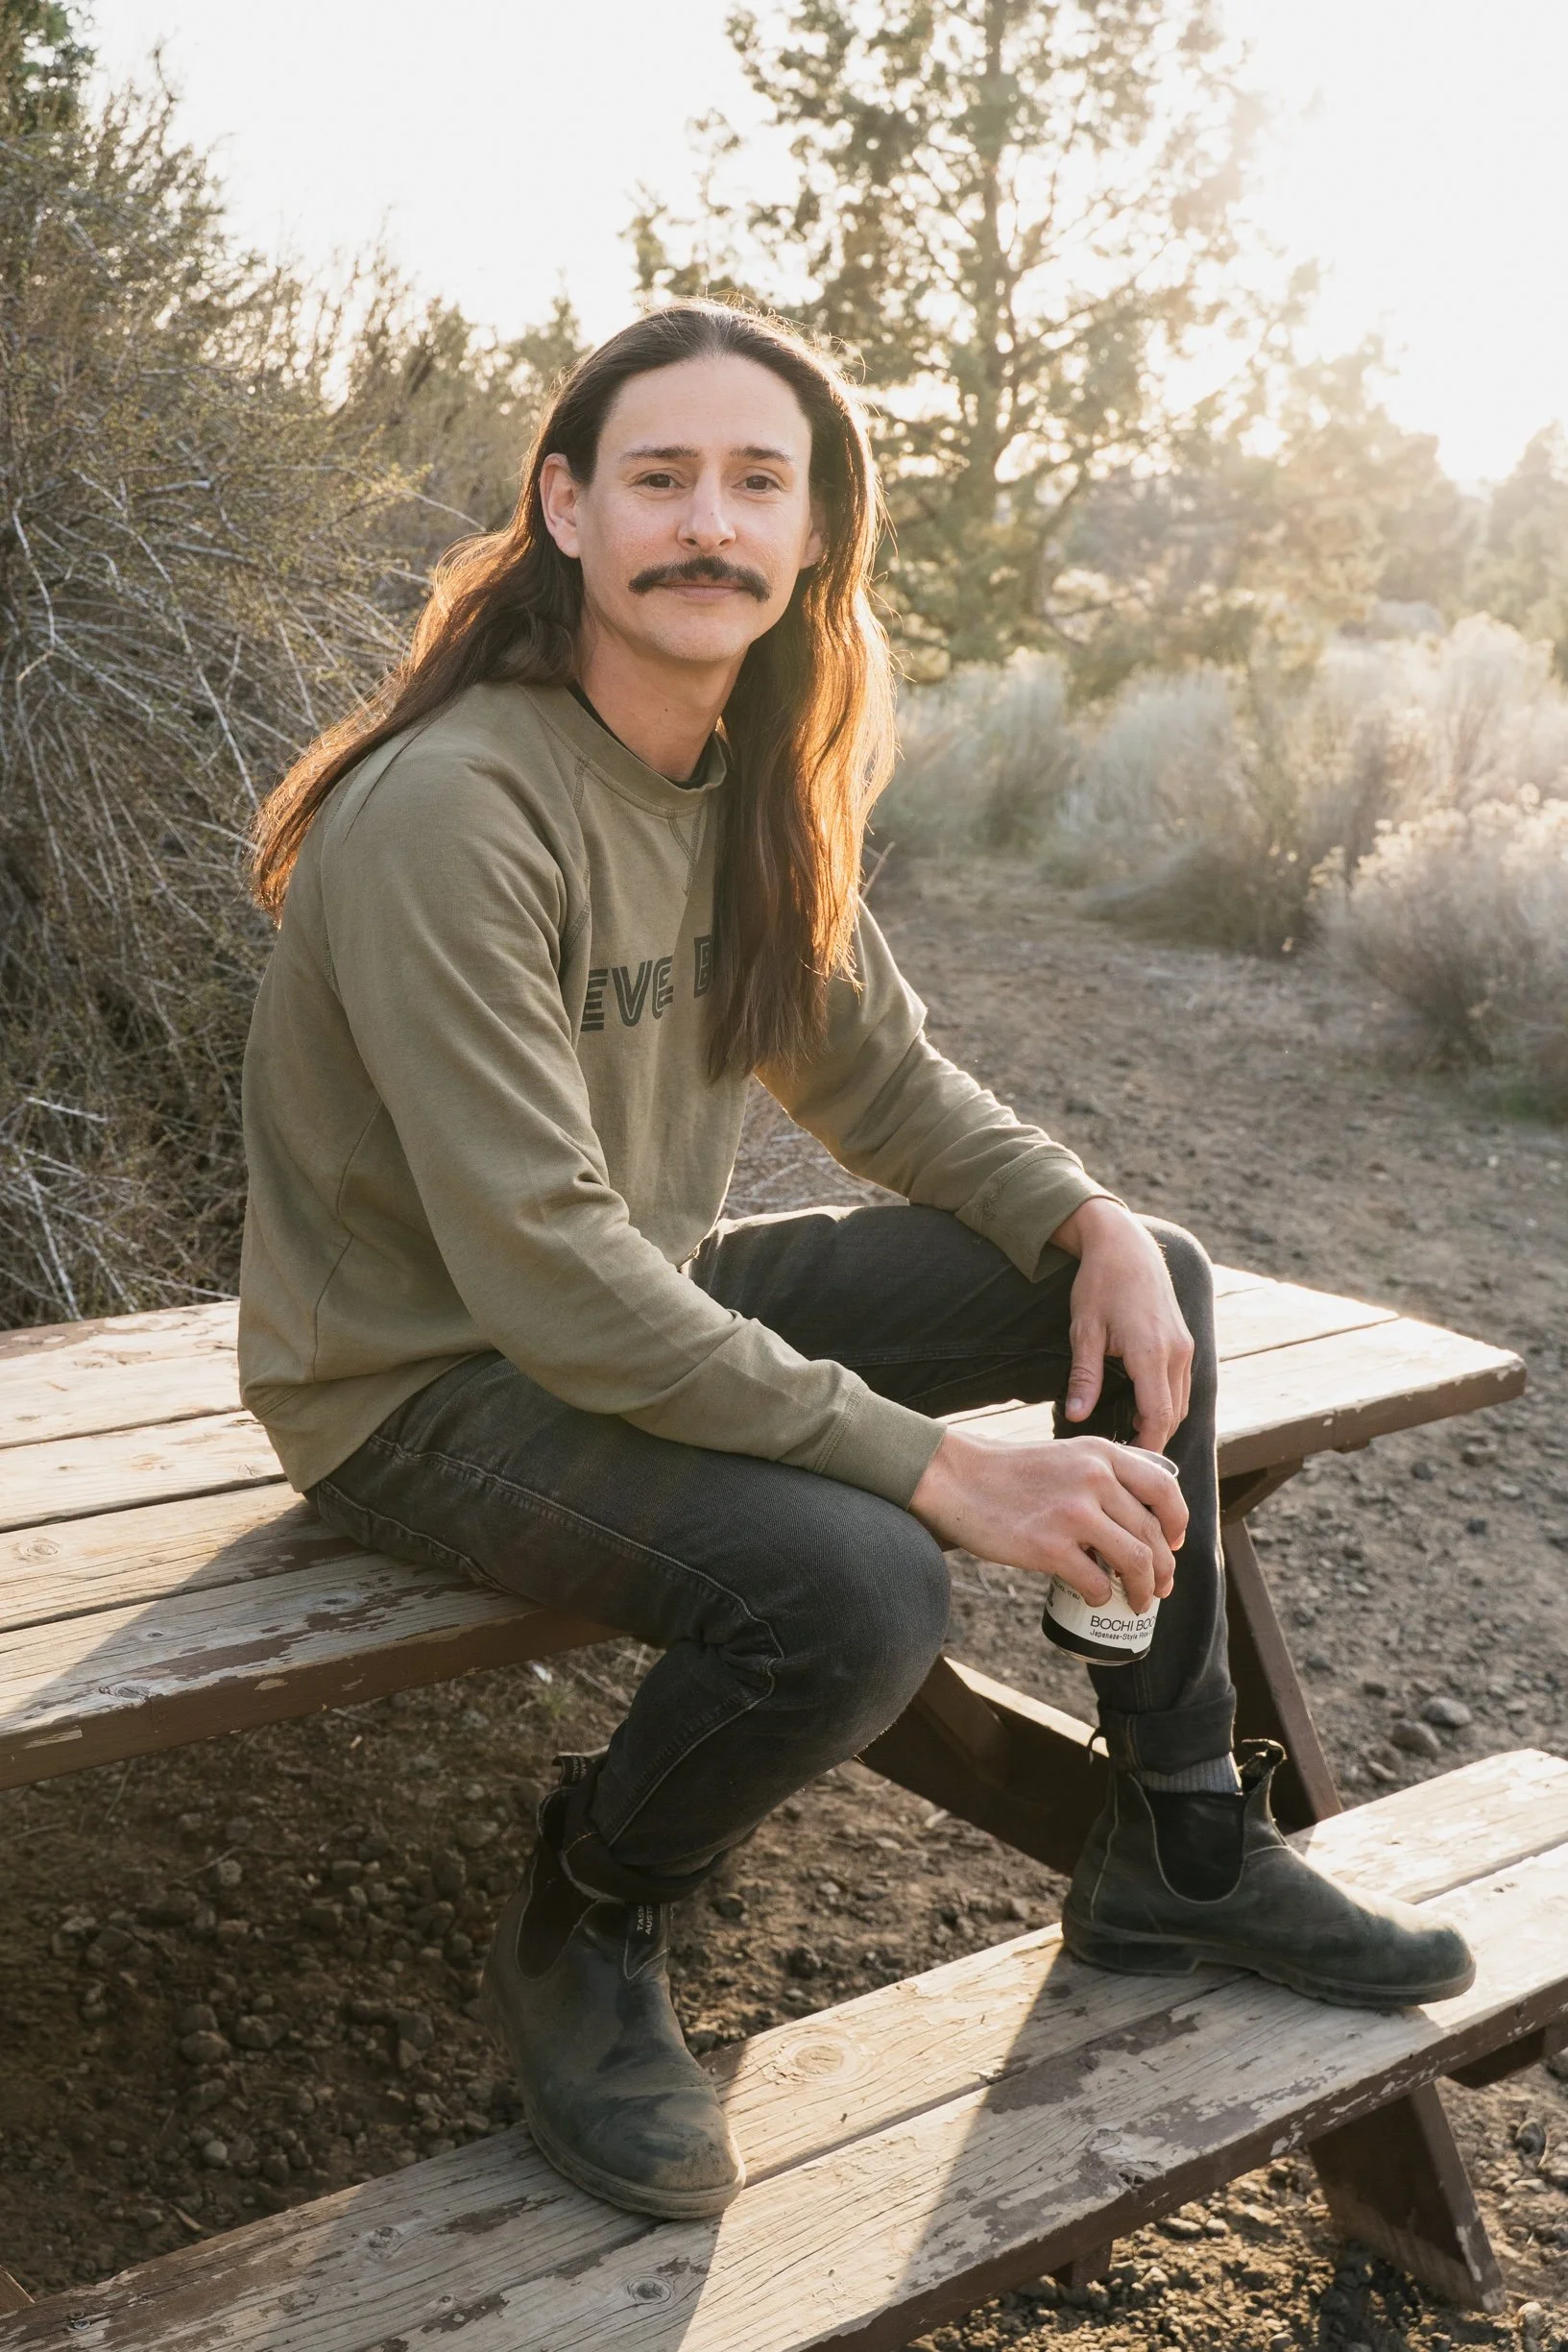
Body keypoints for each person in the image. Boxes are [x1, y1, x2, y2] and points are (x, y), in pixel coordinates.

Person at [239, 302, 1473, 2224]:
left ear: (814, 536)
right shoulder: (458, 810)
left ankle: (1181, 1840)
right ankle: (594, 1904)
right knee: (860, 1577)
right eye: (660, 477)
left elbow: (879, 1077)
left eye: (759, 484)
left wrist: (1094, 1224)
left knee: (1149, 1282)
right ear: (565, 507)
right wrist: (949, 1466)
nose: (707, 523)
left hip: (624, 1300)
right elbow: (549, 1272)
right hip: (422, 1383)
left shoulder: (741, 774)